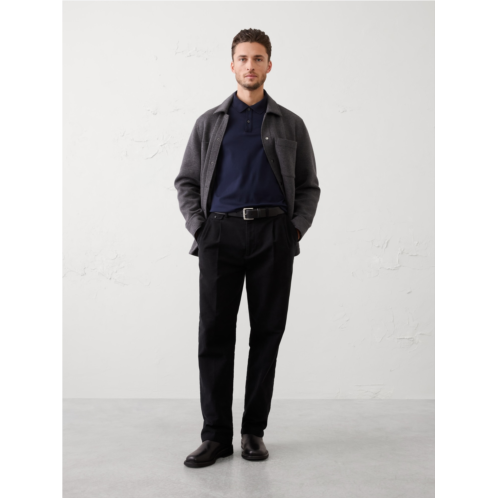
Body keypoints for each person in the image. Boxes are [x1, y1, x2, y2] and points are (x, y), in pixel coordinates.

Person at [174, 28, 320, 468]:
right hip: (220, 236)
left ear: (269, 65)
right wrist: (200, 229)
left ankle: (253, 431)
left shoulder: (290, 123)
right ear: (232, 65)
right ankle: (216, 436)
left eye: (258, 58)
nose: (250, 66)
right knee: (214, 336)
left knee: (267, 335)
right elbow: (187, 181)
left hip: (273, 236)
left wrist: (294, 230)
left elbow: (308, 186)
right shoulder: (210, 123)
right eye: (243, 58)